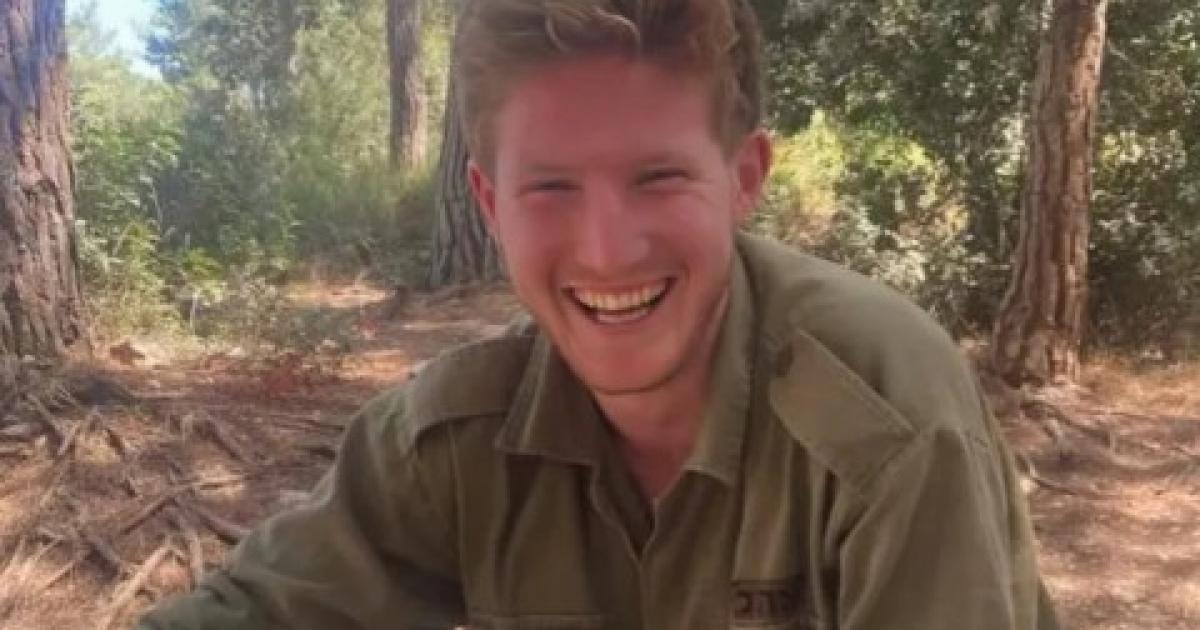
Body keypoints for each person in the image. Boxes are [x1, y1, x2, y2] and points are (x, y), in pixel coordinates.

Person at [139, 1, 1059, 628]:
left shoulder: (886, 422)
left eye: (658, 177)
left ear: (743, 179)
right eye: (550, 188)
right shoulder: (455, 438)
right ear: (490, 205)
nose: (608, 251)